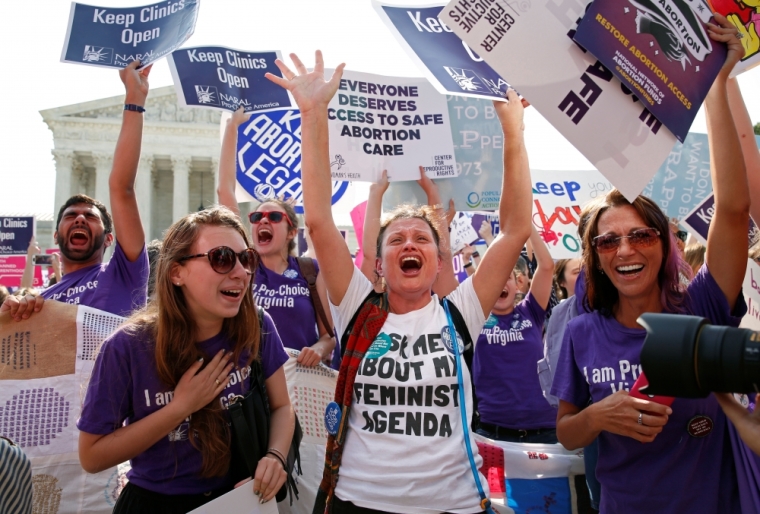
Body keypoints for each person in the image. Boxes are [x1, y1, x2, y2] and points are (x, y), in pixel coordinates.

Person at [267, 50, 532, 514]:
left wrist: (513, 132)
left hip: (454, 504)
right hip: (359, 502)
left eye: (421, 239)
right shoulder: (356, 307)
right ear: (380, 263)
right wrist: (314, 116)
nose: (409, 244)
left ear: (437, 258)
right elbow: (320, 222)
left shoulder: (461, 311)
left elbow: (514, 230)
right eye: (397, 240)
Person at [551, 19, 750, 513]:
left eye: (641, 235)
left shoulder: (703, 305)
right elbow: (567, 431)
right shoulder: (582, 332)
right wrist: (600, 414)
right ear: (594, 257)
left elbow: (732, 212)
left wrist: (714, 87)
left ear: (664, 244)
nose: (625, 251)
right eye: (608, 241)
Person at [77, 206, 294, 513]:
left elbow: (282, 407)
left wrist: (275, 456)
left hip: (238, 500)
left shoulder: (258, 326)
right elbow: (91, 456)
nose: (241, 272)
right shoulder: (126, 347)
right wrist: (180, 408)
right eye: (222, 258)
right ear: (177, 272)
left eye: (246, 259)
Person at [2, 61, 150, 320]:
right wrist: (8, 320)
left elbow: (121, 188)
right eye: (70, 216)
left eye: (90, 217)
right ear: (56, 236)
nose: (80, 218)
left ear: (109, 239)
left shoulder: (123, 275)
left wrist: (134, 99)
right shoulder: (40, 303)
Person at [218, 107, 335, 367]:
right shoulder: (242, 268)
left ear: (292, 232)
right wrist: (232, 127)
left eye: (273, 218)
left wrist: (318, 348)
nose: (263, 221)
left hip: (298, 382)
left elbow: (329, 337)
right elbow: (224, 191)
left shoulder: (310, 272)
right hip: (250, 382)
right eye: (257, 218)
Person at [475, 225, 557, 443]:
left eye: (507, 276)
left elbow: (547, 266)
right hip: (494, 433)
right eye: (494, 277)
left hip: (546, 429)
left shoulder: (531, 310)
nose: (501, 281)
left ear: (518, 284)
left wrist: (525, 225)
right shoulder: (473, 316)